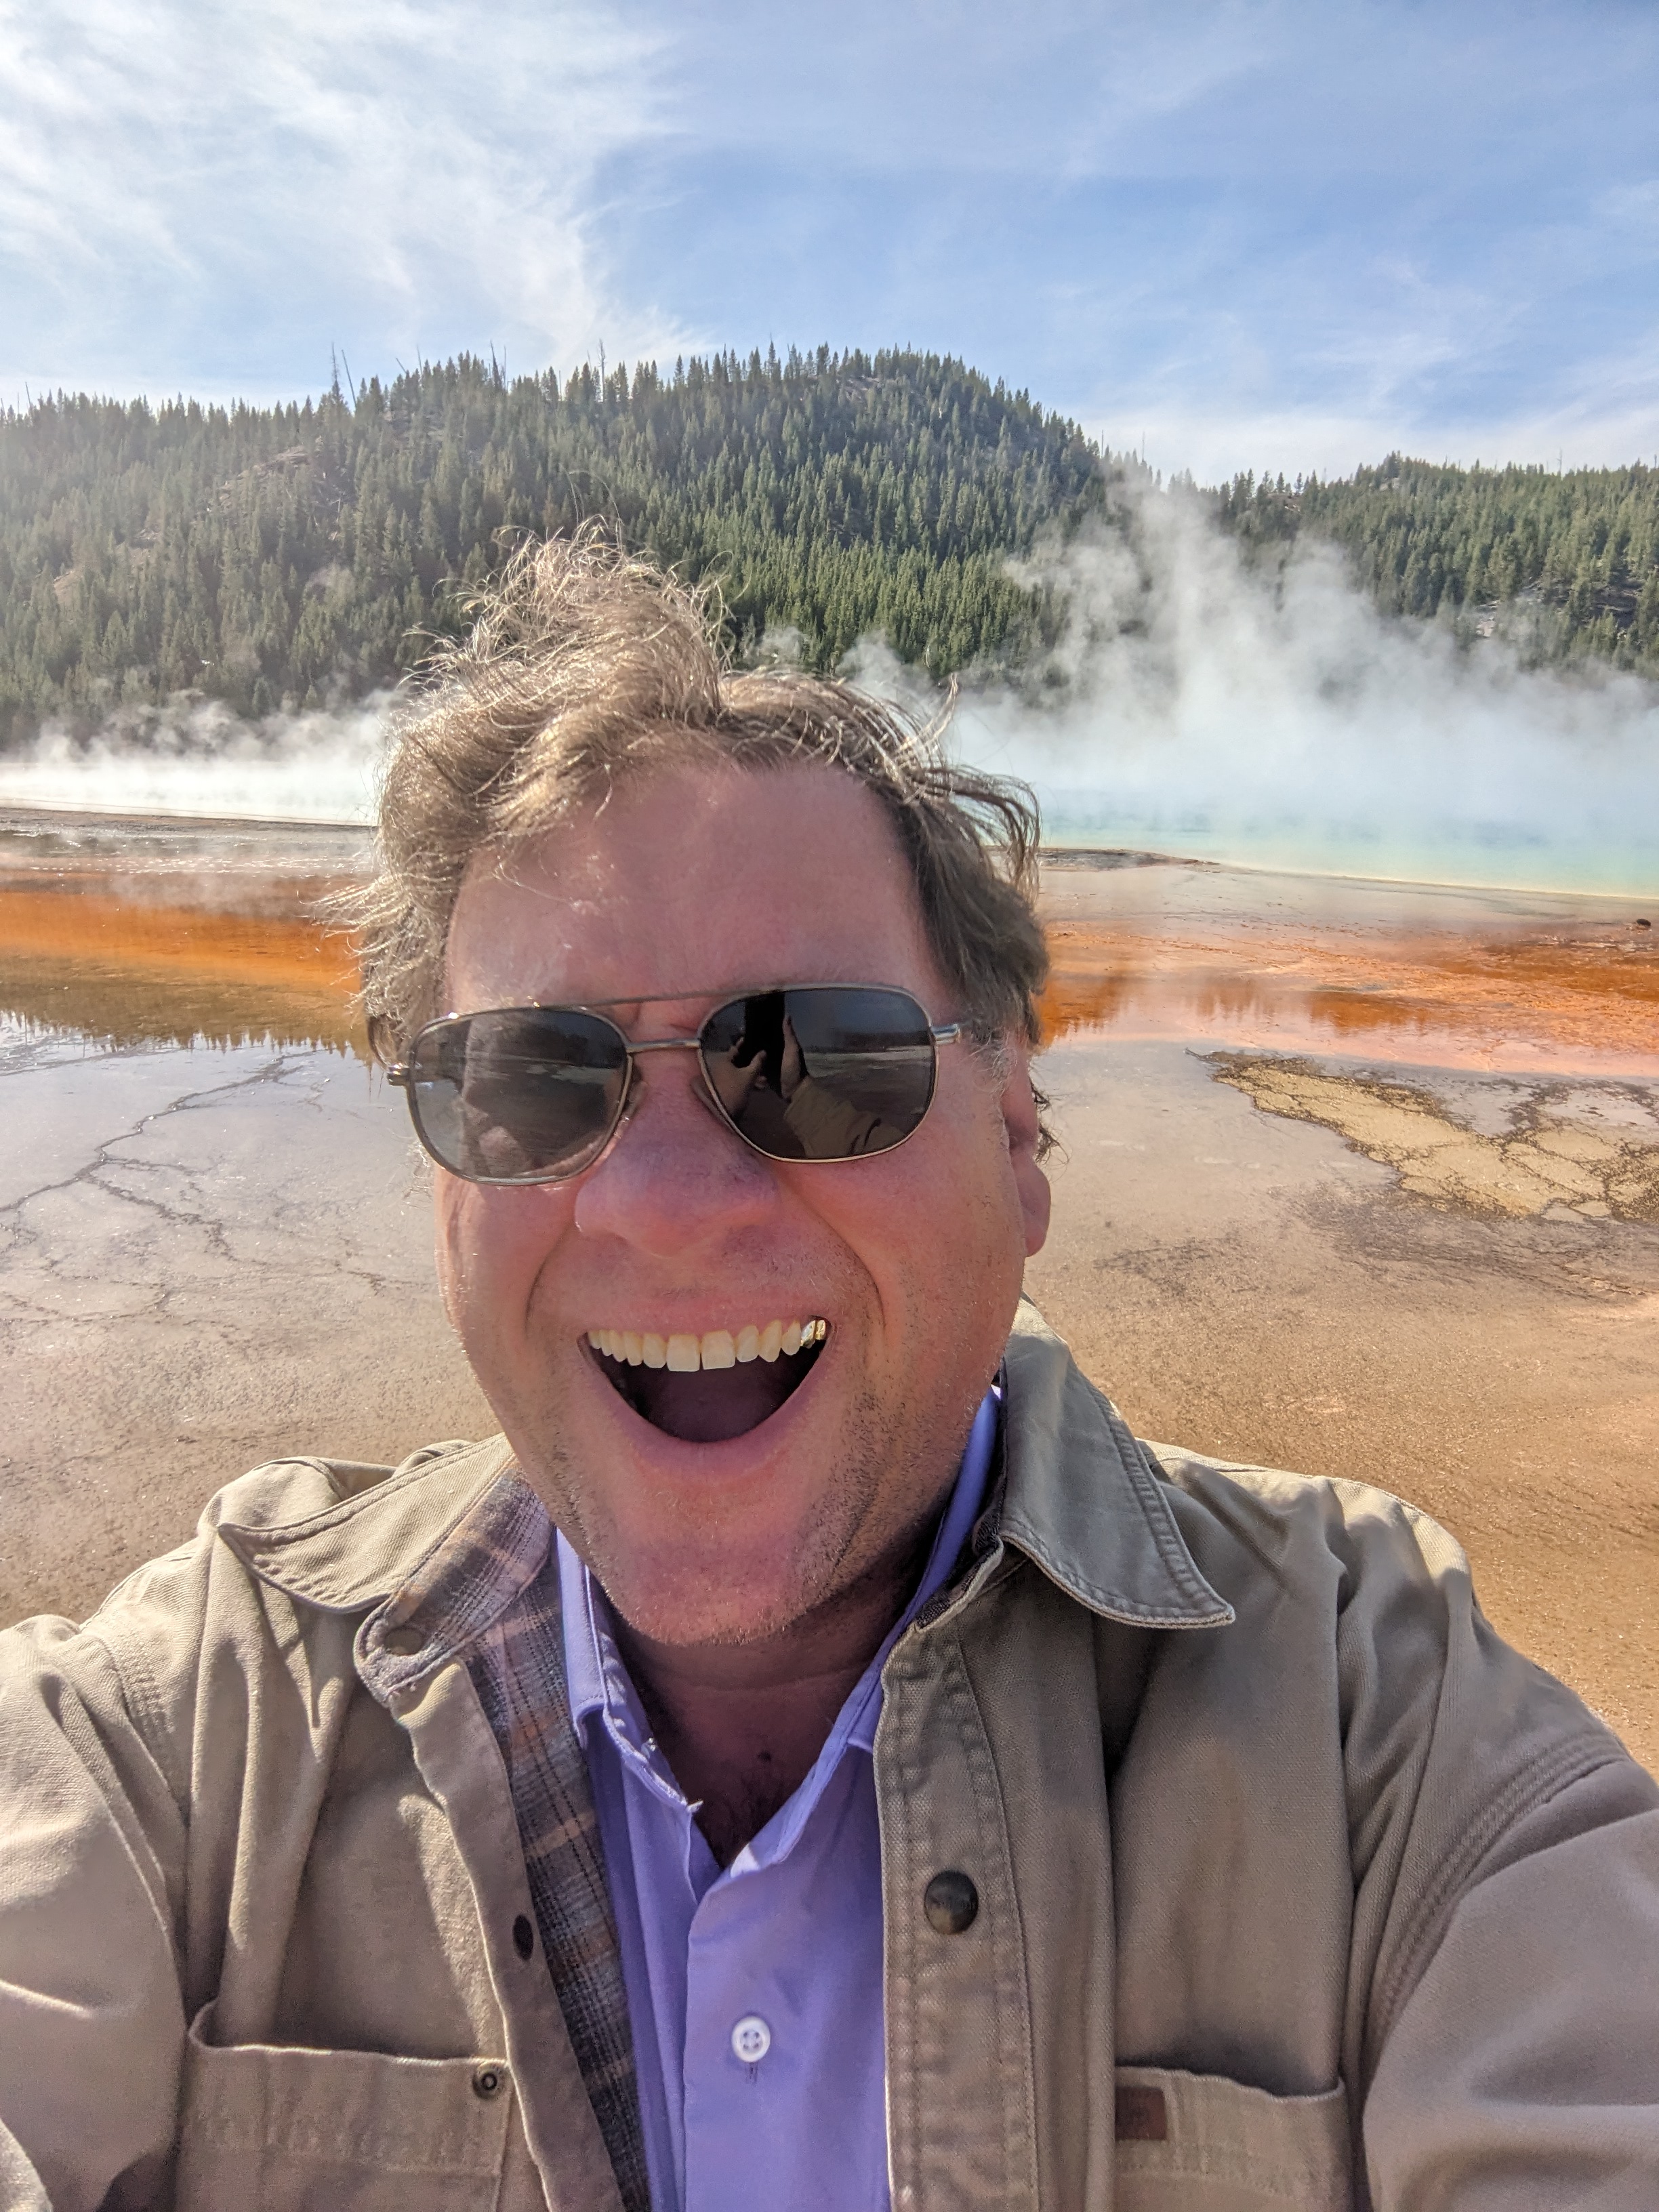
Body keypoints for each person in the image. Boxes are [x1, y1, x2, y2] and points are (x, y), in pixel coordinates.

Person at [1, 536, 1656, 2212]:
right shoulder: (199, 1737)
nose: (661, 1206)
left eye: (811, 1062)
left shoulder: (1388, 1744)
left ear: (1018, 1139)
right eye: (532, 1082)